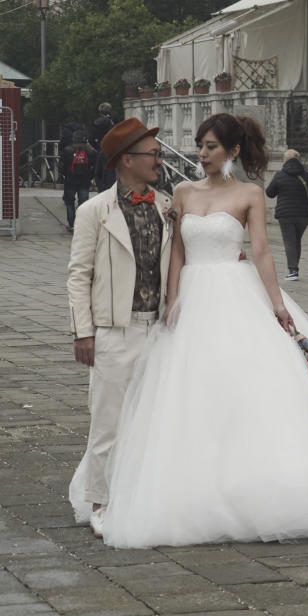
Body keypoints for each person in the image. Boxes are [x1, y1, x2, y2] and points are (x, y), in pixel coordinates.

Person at [71, 113, 308, 548]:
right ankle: (137, 492)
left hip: (236, 294)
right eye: (200, 146)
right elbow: (176, 250)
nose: (202, 154)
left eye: (211, 146)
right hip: (187, 301)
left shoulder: (249, 193)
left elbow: (260, 251)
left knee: (249, 390)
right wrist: (172, 300)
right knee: (180, 396)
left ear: (233, 151)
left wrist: (277, 304)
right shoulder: (177, 194)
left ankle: (250, 484)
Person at [67, 118, 173, 537]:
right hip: (115, 328)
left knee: (155, 421)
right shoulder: (94, 211)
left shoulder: (168, 206)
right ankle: (100, 501)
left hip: (160, 329)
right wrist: (83, 331)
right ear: (126, 160)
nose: (160, 160)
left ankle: (146, 496)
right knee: (108, 421)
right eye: (153, 154)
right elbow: (78, 274)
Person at [265, 148, 308, 281]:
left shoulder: (280, 175)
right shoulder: (307, 175)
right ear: (299, 160)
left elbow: (269, 193)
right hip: (303, 215)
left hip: (285, 215)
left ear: (285, 160)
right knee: (296, 241)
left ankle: (293, 270)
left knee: (289, 241)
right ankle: (294, 268)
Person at [61, 130, 96, 232]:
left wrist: (65, 175)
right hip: (84, 181)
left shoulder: (67, 150)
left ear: (73, 139)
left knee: (70, 202)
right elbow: (94, 165)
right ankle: (82, 223)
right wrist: (90, 176)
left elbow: (62, 166)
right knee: (83, 203)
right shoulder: (90, 151)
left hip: (70, 180)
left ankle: (71, 224)